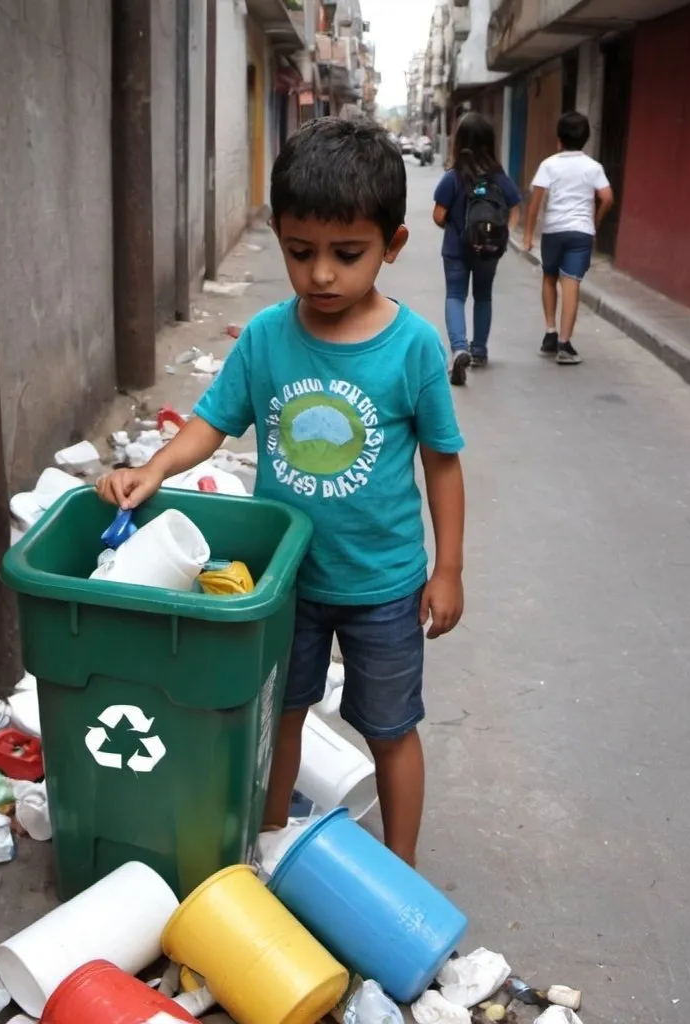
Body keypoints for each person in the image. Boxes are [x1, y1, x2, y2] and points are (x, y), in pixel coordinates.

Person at [97, 117, 466, 867]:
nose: (322, 274)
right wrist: (154, 470)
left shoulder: (415, 347)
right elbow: (212, 422)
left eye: (347, 254)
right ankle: (269, 847)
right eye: (302, 253)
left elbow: (442, 460)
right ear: (280, 240)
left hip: (385, 584)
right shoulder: (267, 337)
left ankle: (403, 869)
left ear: (392, 246)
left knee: (390, 728)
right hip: (287, 581)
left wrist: (448, 567)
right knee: (281, 715)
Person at [432, 112, 522, 385]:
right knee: (483, 296)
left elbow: (438, 215)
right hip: (488, 249)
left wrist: (455, 226)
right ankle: (480, 351)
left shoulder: (453, 177)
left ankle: (459, 348)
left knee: (456, 296)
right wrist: (503, 231)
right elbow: (515, 207)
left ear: (459, 142)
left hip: (456, 249)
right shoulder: (499, 178)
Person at [523, 111, 614, 365]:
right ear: (585, 138)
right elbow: (607, 197)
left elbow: (535, 202)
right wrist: (594, 221)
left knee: (549, 278)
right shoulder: (593, 167)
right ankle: (565, 344)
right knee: (571, 282)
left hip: (553, 231)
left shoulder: (549, 164)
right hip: (580, 232)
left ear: (559, 139)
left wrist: (529, 234)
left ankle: (550, 334)